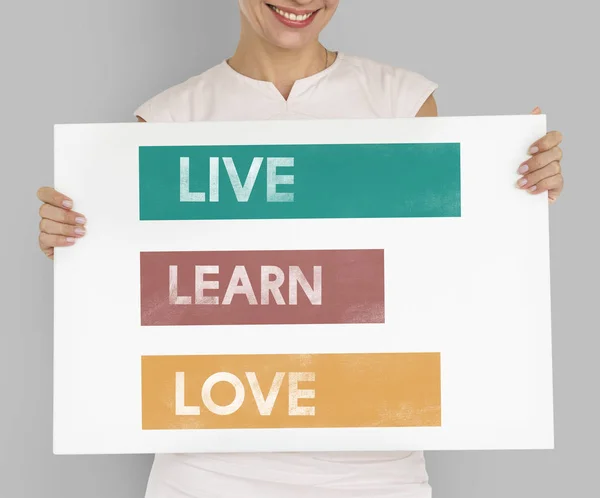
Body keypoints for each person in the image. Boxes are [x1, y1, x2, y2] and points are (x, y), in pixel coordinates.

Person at [35, 1, 565, 496]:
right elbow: (149, 300)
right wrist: (79, 252)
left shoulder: (399, 101)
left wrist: (514, 195)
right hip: (208, 471)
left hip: (376, 471)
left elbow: (440, 273)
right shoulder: (168, 119)